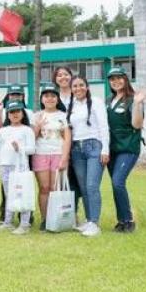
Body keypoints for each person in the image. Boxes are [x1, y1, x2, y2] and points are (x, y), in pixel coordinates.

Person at [67, 76, 110, 237]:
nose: (78, 88)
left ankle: (95, 222)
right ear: (71, 89)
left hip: (94, 146)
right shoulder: (72, 106)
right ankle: (89, 220)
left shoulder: (96, 102)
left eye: (81, 85)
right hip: (77, 148)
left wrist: (105, 149)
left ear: (87, 86)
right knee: (84, 187)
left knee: (92, 185)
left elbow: (104, 126)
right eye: (75, 86)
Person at [106, 67, 146, 233]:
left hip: (128, 148)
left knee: (117, 182)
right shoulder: (108, 100)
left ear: (126, 79)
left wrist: (137, 104)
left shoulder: (133, 99)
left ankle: (128, 220)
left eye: (119, 78)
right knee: (116, 185)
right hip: (111, 149)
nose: (116, 81)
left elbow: (137, 124)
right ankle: (121, 221)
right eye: (112, 79)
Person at [0, 101, 36, 235]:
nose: (15, 114)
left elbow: (32, 149)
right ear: (7, 115)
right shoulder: (3, 131)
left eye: (18, 111)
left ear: (23, 114)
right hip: (5, 166)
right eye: (12, 112)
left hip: (21, 166)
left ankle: (24, 223)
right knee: (8, 194)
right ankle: (8, 222)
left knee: (22, 193)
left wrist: (20, 148)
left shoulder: (27, 130)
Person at [33, 85, 71, 230]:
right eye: (46, 96)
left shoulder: (63, 115)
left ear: (57, 99)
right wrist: (38, 126)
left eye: (53, 96)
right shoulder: (37, 115)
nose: (50, 99)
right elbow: (31, 138)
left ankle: (55, 219)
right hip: (40, 154)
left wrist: (64, 158)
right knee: (44, 188)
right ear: (42, 99)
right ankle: (44, 220)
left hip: (58, 154)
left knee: (55, 189)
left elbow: (67, 138)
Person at [53, 66, 82, 223]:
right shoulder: (52, 96)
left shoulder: (77, 94)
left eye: (66, 74)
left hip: (77, 141)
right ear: (55, 79)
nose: (63, 77)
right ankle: (60, 213)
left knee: (74, 179)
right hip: (57, 144)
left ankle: (74, 213)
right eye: (59, 75)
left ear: (71, 77)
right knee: (60, 180)